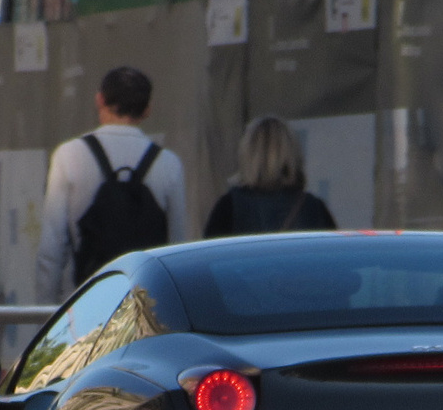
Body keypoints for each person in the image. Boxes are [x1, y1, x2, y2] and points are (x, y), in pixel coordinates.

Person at [35, 66, 187, 304]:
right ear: (147, 110)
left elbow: (51, 248)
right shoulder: (168, 164)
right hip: (145, 306)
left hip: (85, 301)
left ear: (99, 100)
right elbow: (176, 247)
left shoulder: (69, 155)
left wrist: (45, 314)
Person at [203, 116, 336, 238]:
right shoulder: (314, 209)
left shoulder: (227, 208)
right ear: (292, 153)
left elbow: (208, 259)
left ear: (248, 155)